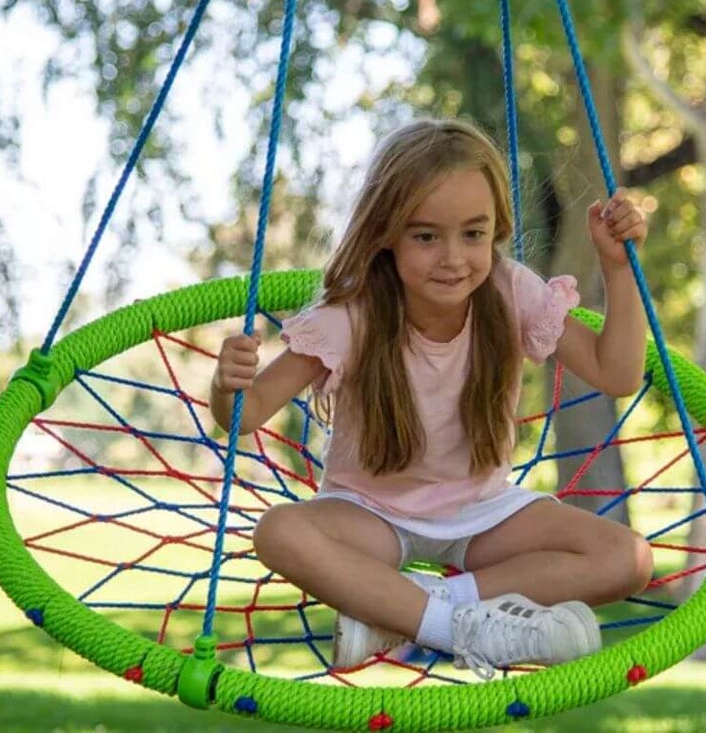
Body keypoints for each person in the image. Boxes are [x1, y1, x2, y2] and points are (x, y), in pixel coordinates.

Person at [208, 117, 655, 678]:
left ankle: (408, 609)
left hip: (482, 511)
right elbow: (243, 418)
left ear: (495, 230)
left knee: (628, 558)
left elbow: (616, 373)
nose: (453, 257)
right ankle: (458, 628)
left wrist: (619, 270)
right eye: (425, 236)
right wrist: (228, 386)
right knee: (279, 531)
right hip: (369, 515)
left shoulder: (508, 290)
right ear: (385, 234)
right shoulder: (354, 315)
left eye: (473, 234)